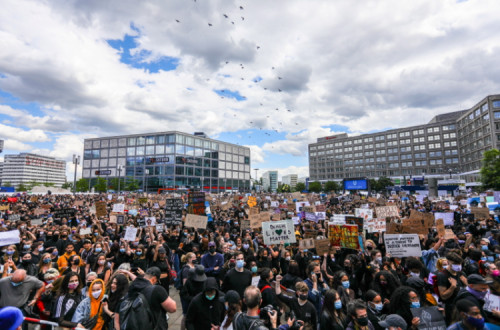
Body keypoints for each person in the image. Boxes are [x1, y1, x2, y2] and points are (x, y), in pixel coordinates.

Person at [437, 253, 468, 324]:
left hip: (462, 306)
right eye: (455, 264)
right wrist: (452, 287)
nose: (458, 266)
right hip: (451, 308)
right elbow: (443, 296)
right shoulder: (442, 275)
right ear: (448, 262)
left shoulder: (461, 273)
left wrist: (467, 284)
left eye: (459, 264)